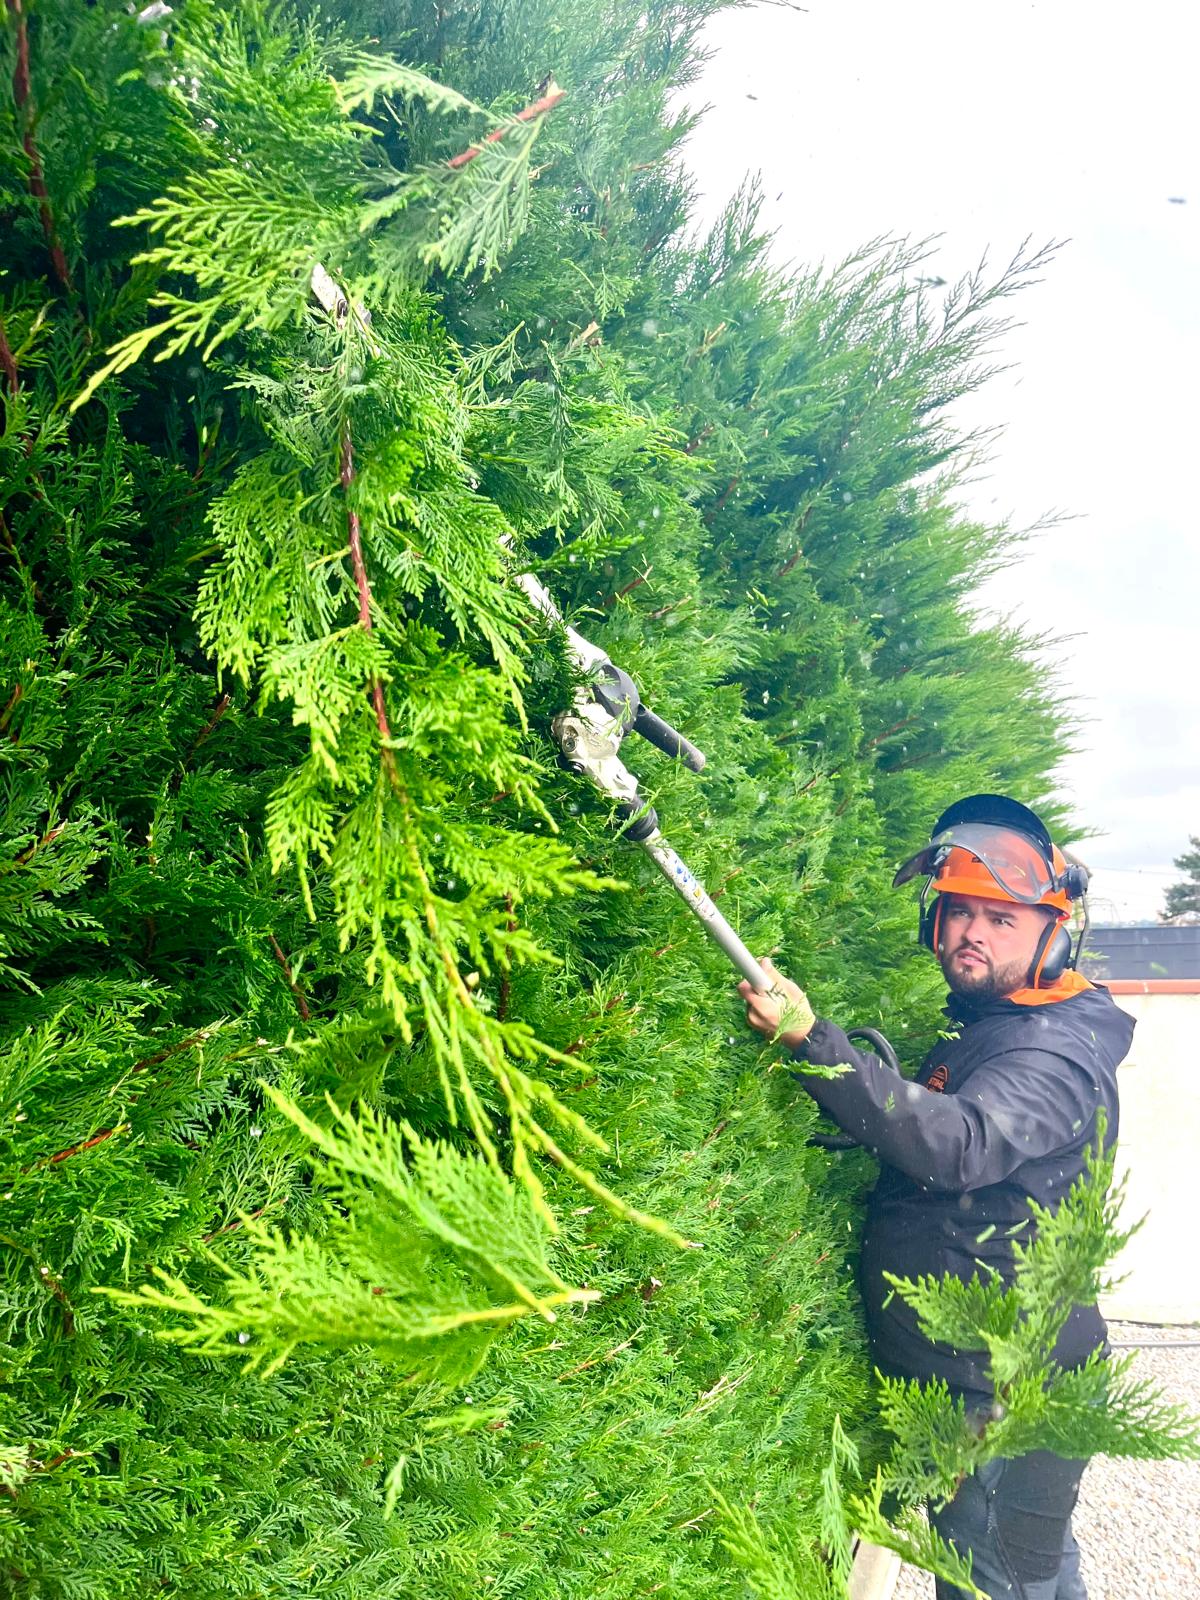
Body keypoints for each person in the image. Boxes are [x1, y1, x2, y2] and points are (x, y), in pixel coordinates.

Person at [739, 794, 1134, 1600]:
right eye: (958, 914)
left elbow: (962, 1142)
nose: (971, 936)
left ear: (1053, 936)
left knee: (994, 1579)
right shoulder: (1000, 1019)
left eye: (1002, 920)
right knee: (1039, 1568)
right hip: (1007, 1377)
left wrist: (815, 1045)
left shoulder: (1053, 1049)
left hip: (1007, 1401)